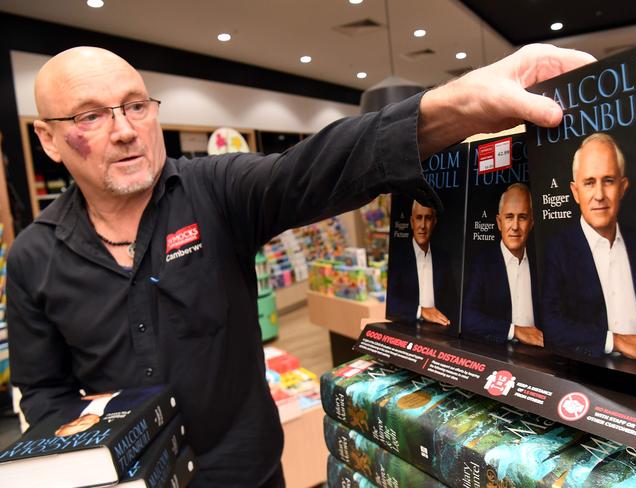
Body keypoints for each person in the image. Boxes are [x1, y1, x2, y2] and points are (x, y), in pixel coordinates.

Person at [7, 44, 595, 487]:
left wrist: (457, 105)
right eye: (89, 116)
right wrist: (95, 457)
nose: (124, 130)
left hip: (247, 473)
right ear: (49, 140)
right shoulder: (34, 255)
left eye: (136, 105)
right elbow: (45, 391)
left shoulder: (214, 190)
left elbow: (312, 170)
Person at [541, 133, 636, 360]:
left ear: (623, 187)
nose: (599, 195)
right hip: (594, 371)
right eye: (589, 183)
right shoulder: (557, 250)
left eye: (608, 181)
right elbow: (550, 324)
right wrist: (617, 341)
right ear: (575, 191)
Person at [463, 183, 544, 346]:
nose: (515, 226)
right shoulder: (481, 263)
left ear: (531, 223)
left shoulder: (542, 264)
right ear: (499, 222)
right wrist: (514, 331)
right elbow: (466, 316)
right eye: (509, 217)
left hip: (540, 354)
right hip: (497, 353)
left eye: (522, 217)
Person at [388, 200, 456, 326]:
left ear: (434, 222)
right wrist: (420, 311)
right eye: (419, 218)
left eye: (428, 218)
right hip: (407, 327)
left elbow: (452, 301)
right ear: (412, 222)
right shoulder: (398, 257)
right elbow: (390, 302)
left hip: (439, 329)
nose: (423, 225)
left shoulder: (443, 258)